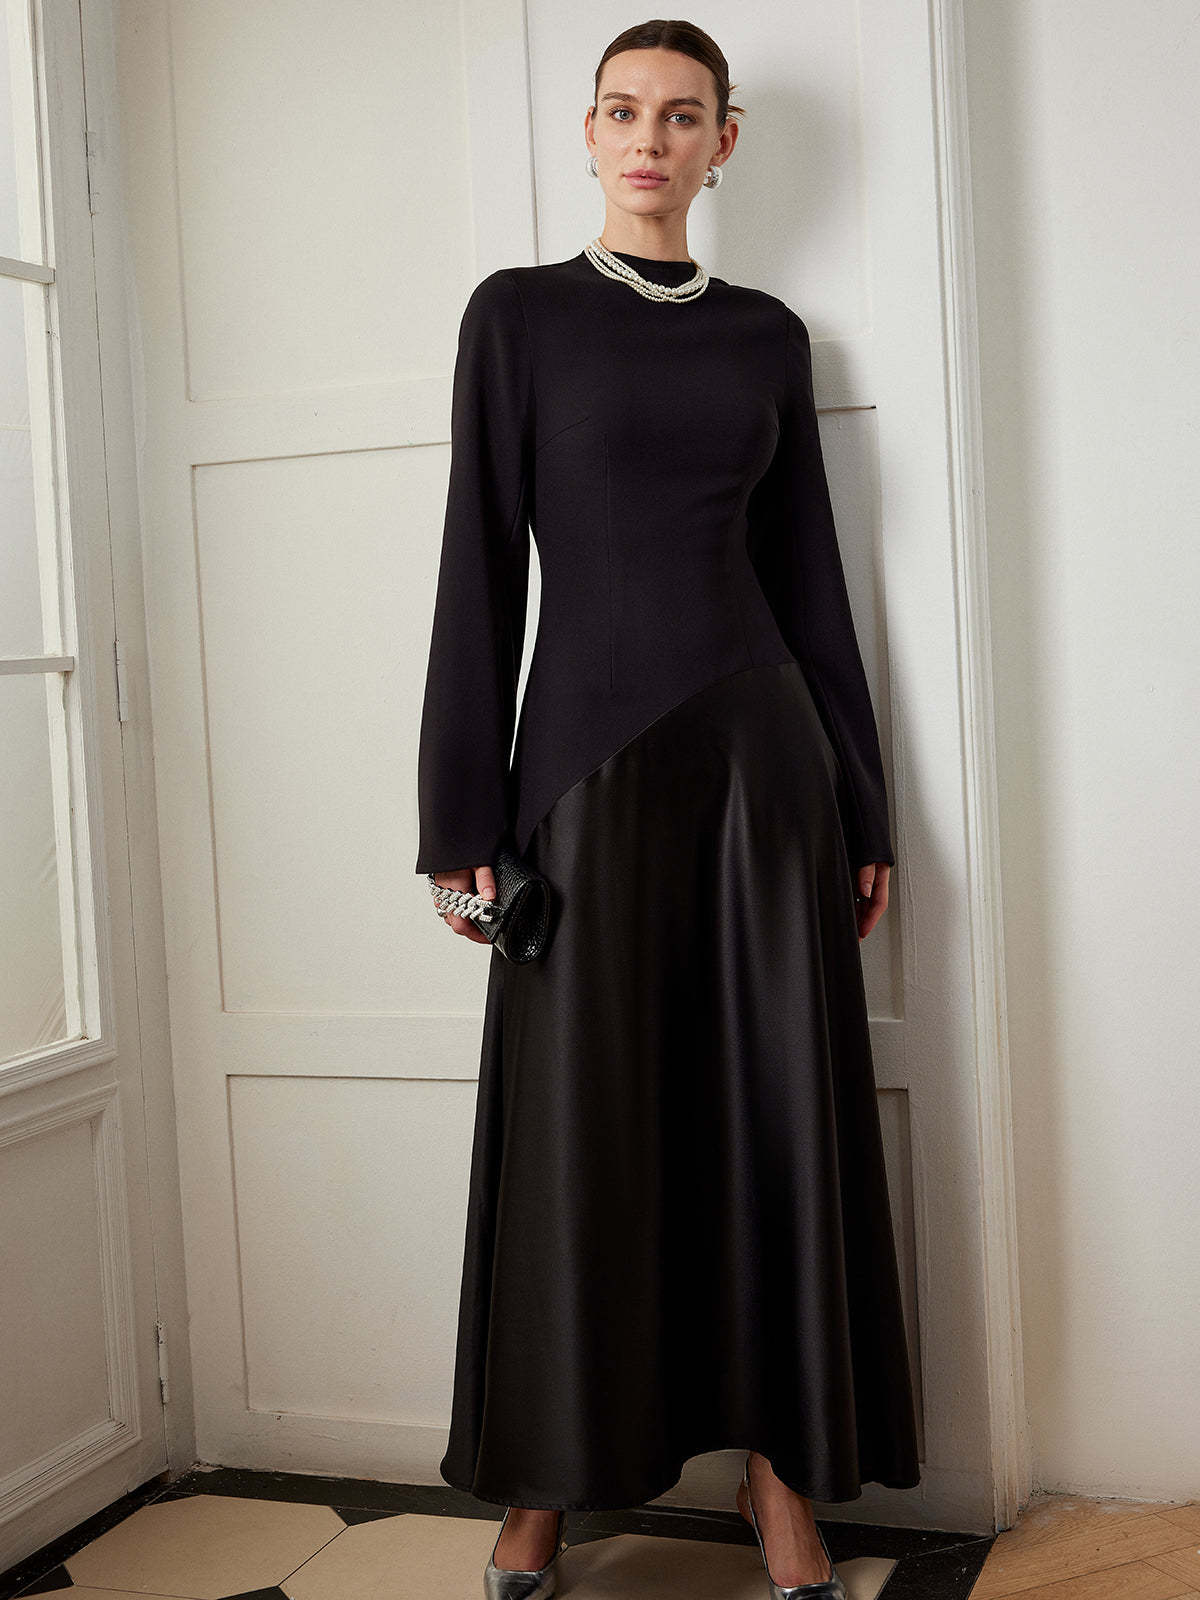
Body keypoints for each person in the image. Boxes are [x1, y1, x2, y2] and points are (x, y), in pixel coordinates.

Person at [414, 19, 921, 1599]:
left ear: (724, 141)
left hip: (765, 773)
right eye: (625, 111)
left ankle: (782, 1486)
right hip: (585, 775)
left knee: (774, 1123)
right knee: (582, 1128)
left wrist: (863, 805)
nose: (651, 138)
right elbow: (478, 569)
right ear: (588, 132)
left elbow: (810, 580)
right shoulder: (517, 316)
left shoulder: (770, 336)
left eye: (683, 115)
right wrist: (457, 822)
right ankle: (544, 1489)